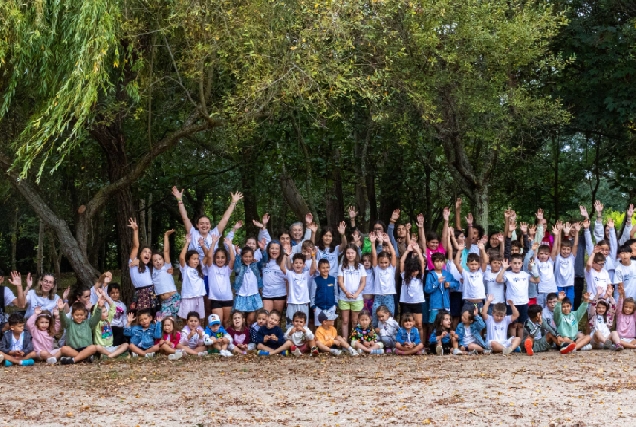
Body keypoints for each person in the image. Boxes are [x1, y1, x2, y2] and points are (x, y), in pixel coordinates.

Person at [497, 255, 540, 338]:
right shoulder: (507, 274)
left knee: (521, 325)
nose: (517, 265)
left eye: (519, 263)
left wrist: (534, 268)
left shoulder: (525, 274)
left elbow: (537, 280)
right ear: (511, 264)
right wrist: (504, 268)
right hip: (512, 303)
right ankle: (513, 342)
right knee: (513, 325)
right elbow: (498, 280)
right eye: (515, 263)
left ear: (522, 264)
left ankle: (520, 343)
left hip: (523, 303)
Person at [202, 235, 235, 327]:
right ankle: (217, 340)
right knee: (217, 322)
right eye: (217, 257)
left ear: (225, 259)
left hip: (227, 298)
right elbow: (209, 256)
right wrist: (213, 243)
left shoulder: (227, 269)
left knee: (225, 321)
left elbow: (232, 259)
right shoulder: (211, 268)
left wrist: (229, 245)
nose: (220, 259)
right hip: (215, 299)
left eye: (222, 257)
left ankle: (225, 339)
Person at [59, 298, 102, 365]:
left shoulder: (88, 323)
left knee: (93, 347)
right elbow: (63, 320)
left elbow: (96, 318)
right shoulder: (69, 324)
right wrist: (61, 310)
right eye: (76, 315)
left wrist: (99, 307)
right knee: (63, 349)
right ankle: (84, 358)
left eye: (81, 315)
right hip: (73, 350)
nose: (79, 317)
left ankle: (74, 360)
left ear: (85, 314)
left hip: (86, 348)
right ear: (72, 314)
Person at [127, 219, 157, 313]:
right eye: (145, 252)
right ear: (140, 254)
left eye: (149, 253)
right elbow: (136, 246)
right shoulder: (134, 262)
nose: (147, 254)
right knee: (141, 316)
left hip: (152, 293)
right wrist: (135, 230)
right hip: (140, 293)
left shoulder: (149, 268)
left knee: (153, 315)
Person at [338, 244, 367, 339]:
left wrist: (357, 293)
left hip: (357, 297)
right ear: (345, 254)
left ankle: (355, 340)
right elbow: (340, 281)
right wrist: (346, 292)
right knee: (345, 320)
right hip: (344, 297)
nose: (350, 255)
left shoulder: (360, 267)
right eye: (348, 253)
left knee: (355, 321)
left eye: (352, 253)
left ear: (356, 254)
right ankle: (345, 341)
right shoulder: (342, 266)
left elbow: (363, 282)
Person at [280, 252, 316, 328]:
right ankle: (290, 339)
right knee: (290, 325)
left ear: (304, 265)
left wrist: (313, 256)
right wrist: (284, 256)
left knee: (303, 325)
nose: (298, 265)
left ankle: (302, 339)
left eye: (300, 263)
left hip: (304, 303)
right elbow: (282, 268)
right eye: (296, 263)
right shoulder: (290, 274)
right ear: (293, 265)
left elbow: (314, 268)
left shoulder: (306, 274)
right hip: (292, 302)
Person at [399, 242, 426, 342]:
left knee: (419, 324)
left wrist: (418, 250)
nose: (414, 273)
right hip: (406, 303)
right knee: (405, 324)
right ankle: (404, 343)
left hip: (417, 302)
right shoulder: (404, 277)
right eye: (412, 271)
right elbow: (402, 262)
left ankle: (421, 344)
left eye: (416, 270)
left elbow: (422, 261)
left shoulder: (420, 277)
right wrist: (407, 251)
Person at [152, 230, 181, 319]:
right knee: (165, 321)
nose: (158, 261)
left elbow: (166, 251)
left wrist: (166, 236)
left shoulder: (166, 267)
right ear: (152, 263)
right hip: (164, 301)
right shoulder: (151, 272)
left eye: (160, 259)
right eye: (155, 260)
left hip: (174, 297)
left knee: (174, 321)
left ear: (163, 260)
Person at [370, 232, 397, 327]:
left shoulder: (391, 269)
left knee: (390, 315)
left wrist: (389, 242)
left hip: (389, 295)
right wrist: (373, 243)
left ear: (389, 262)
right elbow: (374, 256)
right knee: (374, 313)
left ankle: (390, 335)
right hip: (378, 295)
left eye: (386, 262)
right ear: (378, 262)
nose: (384, 264)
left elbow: (393, 255)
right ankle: (374, 335)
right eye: (381, 262)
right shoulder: (376, 268)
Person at [93, 288, 129, 359]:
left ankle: (110, 356)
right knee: (97, 347)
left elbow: (113, 307)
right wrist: (99, 299)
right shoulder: (96, 322)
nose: (106, 313)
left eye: (106, 311)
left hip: (111, 347)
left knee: (126, 345)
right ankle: (115, 355)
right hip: (102, 349)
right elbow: (95, 312)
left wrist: (106, 297)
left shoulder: (108, 320)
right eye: (103, 312)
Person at [178, 233, 207, 320]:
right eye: (194, 259)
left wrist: (202, 245)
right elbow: (181, 258)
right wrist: (187, 243)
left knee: (198, 319)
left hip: (199, 297)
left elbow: (208, 255)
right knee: (186, 319)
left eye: (197, 259)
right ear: (188, 260)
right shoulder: (185, 269)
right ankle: (186, 333)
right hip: (188, 297)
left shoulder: (200, 267)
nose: (196, 261)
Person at [233, 247, 264, 325]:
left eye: (250, 257)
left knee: (251, 320)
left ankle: (250, 335)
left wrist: (263, 250)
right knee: (240, 320)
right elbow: (236, 266)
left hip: (253, 295)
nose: (248, 259)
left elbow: (264, 261)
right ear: (242, 257)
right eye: (245, 257)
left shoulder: (255, 265)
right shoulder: (240, 267)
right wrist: (237, 254)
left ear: (253, 257)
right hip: (241, 295)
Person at [553, 221, 580, 303]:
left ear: (571, 250)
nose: (566, 251)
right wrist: (557, 234)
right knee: (559, 304)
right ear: (560, 250)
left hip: (569, 285)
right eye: (564, 249)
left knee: (570, 303)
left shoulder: (571, 257)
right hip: (559, 285)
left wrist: (577, 232)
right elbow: (558, 245)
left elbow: (575, 245)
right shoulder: (558, 257)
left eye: (568, 249)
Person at [587, 285, 620, 350]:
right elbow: (593, 306)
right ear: (596, 308)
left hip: (607, 338)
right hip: (596, 341)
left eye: (603, 308)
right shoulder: (593, 315)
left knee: (614, 332)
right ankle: (608, 344)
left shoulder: (608, 316)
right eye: (599, 307)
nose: (601, 309)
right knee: (597, 332)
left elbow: (613, 307)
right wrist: (597, 295)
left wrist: (610, 296)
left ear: (606, 308)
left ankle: (618, 345)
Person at [260, 238, 287, 315]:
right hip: (267, 294)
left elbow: (288, 278)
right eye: (272, 248)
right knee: (267, 318)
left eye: (277, 249)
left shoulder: (283, 261)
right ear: (268, 250)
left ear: (280, 250)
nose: (274, 250)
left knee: (276, 319)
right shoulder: (263, 262)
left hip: (280, 293)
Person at [310, 259, 337, 327]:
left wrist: (335, 305)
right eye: (323, 268)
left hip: (331, 308)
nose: (325, 270)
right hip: (319, 308)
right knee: (319, 328)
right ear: (319, 269)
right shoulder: (316, 280)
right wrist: (313, 307)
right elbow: (312, 295)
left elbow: (336, 293)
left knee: (330, 327)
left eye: (327, 267)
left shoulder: (333, 279)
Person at [615, 283, 636, 349]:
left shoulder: (634, 316)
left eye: (630, 308)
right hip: (621, 338)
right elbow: (620, 304)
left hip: (632, 339)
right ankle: (632, 347)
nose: (627, 309)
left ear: (633, 309)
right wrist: (621, 295)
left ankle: (627, 345)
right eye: (626, 307)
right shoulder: (620, 314)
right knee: (617, 341)